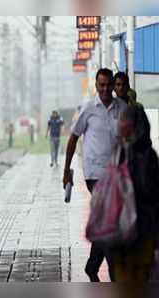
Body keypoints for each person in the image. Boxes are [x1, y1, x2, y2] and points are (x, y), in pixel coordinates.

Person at [63, 68, 127, 282]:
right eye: (102, 85)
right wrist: (66, 171)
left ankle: (92, 267)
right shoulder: (89, 109)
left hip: (117, 174)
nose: (106, 88)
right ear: (96, 86)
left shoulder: (123, 108)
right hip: (95, 174)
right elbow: (73, 138)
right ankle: (114, 271)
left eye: (109, 84)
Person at [111, 105, 159, 282]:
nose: (120, 124)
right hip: (131, 230)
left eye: (124, 120)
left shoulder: (133, 153)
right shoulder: (123, 151)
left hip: (134, 229)